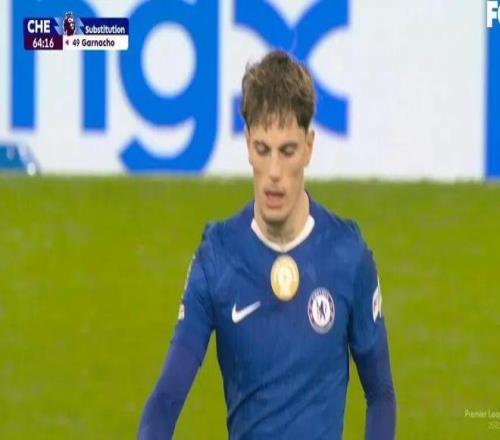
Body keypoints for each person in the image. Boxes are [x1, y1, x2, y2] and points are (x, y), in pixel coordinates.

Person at [138, 49, 396, 439]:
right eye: (263, 149)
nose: (274, 172)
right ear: (247, 145)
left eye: (287, 151)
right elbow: (166, 400)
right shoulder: (217, 259)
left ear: (308, 147)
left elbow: (380, 395)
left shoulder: (347, 256)